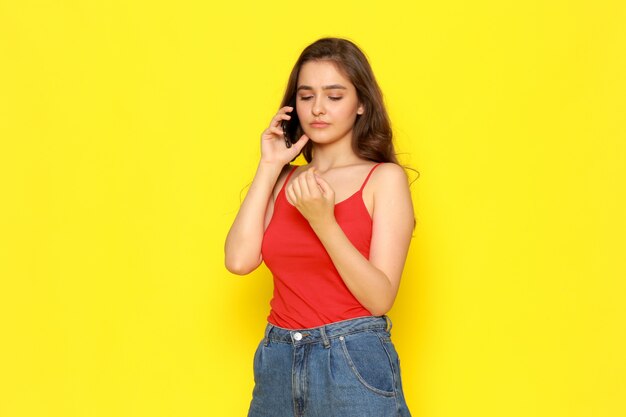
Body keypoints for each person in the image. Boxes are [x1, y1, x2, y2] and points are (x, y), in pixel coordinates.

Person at [224, 37, 415, 417]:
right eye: (307, 96)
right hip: (278, 357)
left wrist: (324, 222)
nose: (318, 109)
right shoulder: (283, 180)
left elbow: (379, 299)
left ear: (361, 104)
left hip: (352, 359)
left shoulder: (383, 179)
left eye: (334, 95)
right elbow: (239, 260)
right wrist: (269, 166)